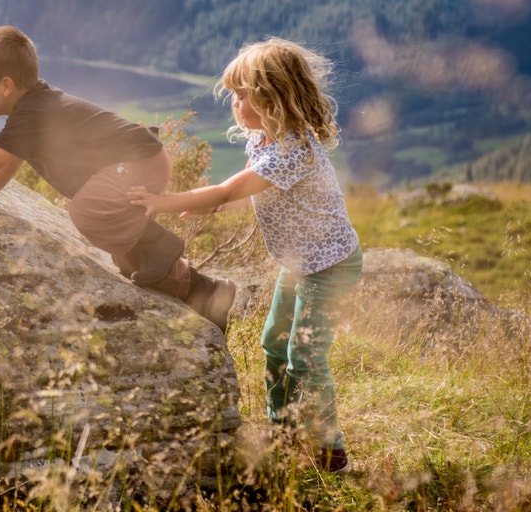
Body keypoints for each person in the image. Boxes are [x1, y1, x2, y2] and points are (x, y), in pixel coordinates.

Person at [0, 26, 235, 329]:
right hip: (133, 163)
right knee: (128, 258)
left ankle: (162, 244)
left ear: (6, 86)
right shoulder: (29, 109)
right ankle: (210, 295)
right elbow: (12, 155)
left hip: (138, 160)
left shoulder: (34, 109)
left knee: (87, 211)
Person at [129, 38, 362, 472]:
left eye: (244, 95)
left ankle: (331, 450)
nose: (235, 104)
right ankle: (284, 426)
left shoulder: (291, 152)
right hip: (300, 264)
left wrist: (162, 202)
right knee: (274, 343)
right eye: (234, 95)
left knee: (306, 356)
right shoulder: (263, 140)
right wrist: (223, 201)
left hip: (329, 266)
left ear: (273, 99)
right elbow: (247, 191)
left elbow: (228, 187)